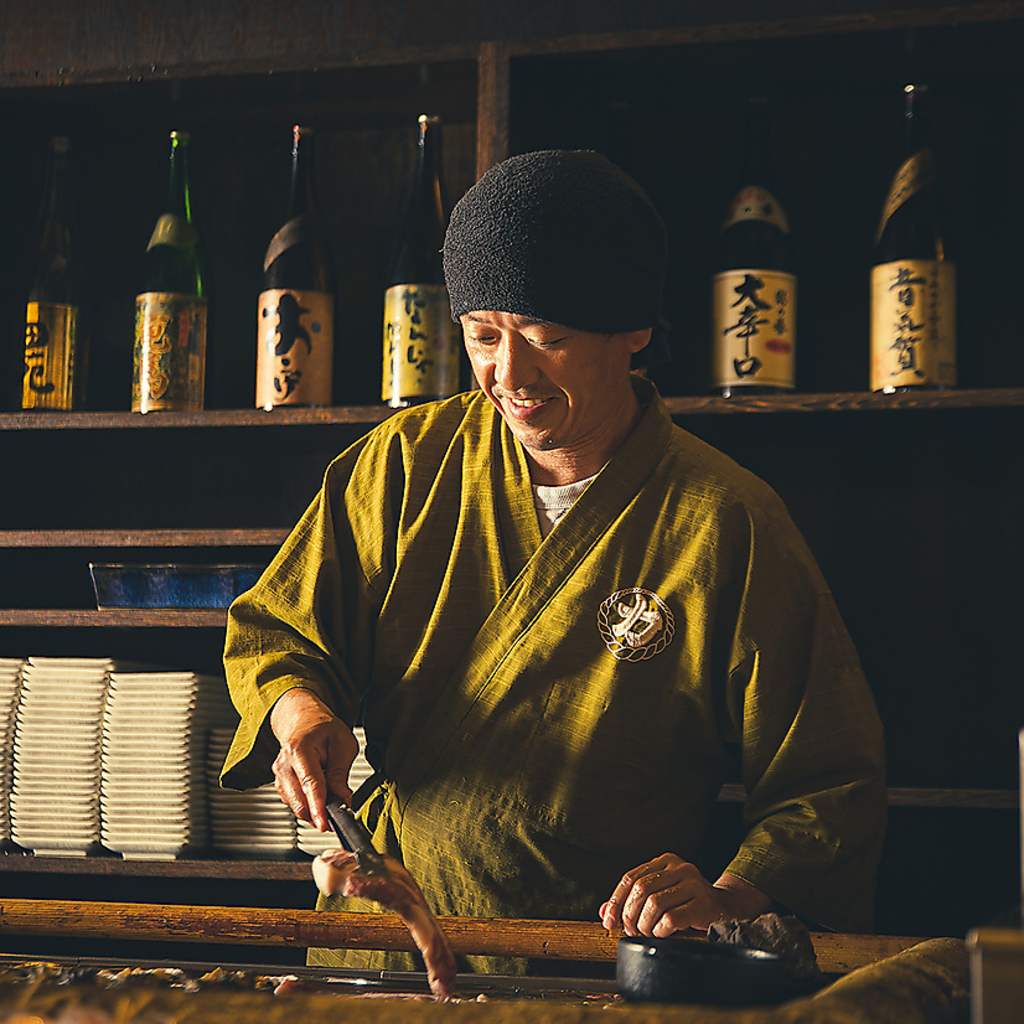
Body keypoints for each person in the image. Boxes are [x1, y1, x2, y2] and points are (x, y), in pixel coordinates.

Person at [221, 149, 886, 975]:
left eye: (547, 338)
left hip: (589, 963)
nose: (510, 374)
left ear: (634, 331)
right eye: (484, 337)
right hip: (379, 939)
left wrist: (727, 896)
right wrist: (303, 716)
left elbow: (827, 783)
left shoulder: (727, 522)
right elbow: (277, 629)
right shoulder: (405, 465)